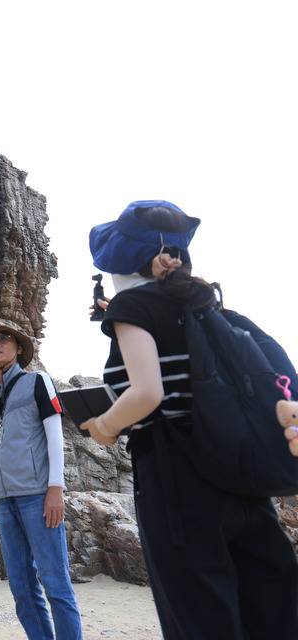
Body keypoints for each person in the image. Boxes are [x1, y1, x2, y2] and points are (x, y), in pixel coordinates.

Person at [82, 199, 298, 639]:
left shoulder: (134, 308)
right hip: (241, 476)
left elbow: (147, 393)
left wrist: (103, 427)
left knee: (201, 619)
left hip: (177, 481)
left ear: (146, 257)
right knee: (271, 612)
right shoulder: (208, 307)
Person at [0, 320, 83, 640]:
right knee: (21, 588)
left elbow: (54, 435)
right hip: (4, 502)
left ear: (18, 348)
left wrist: (56, 488)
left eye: (4, 338)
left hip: (38, 496)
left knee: (55, 583)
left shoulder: (38, 382)